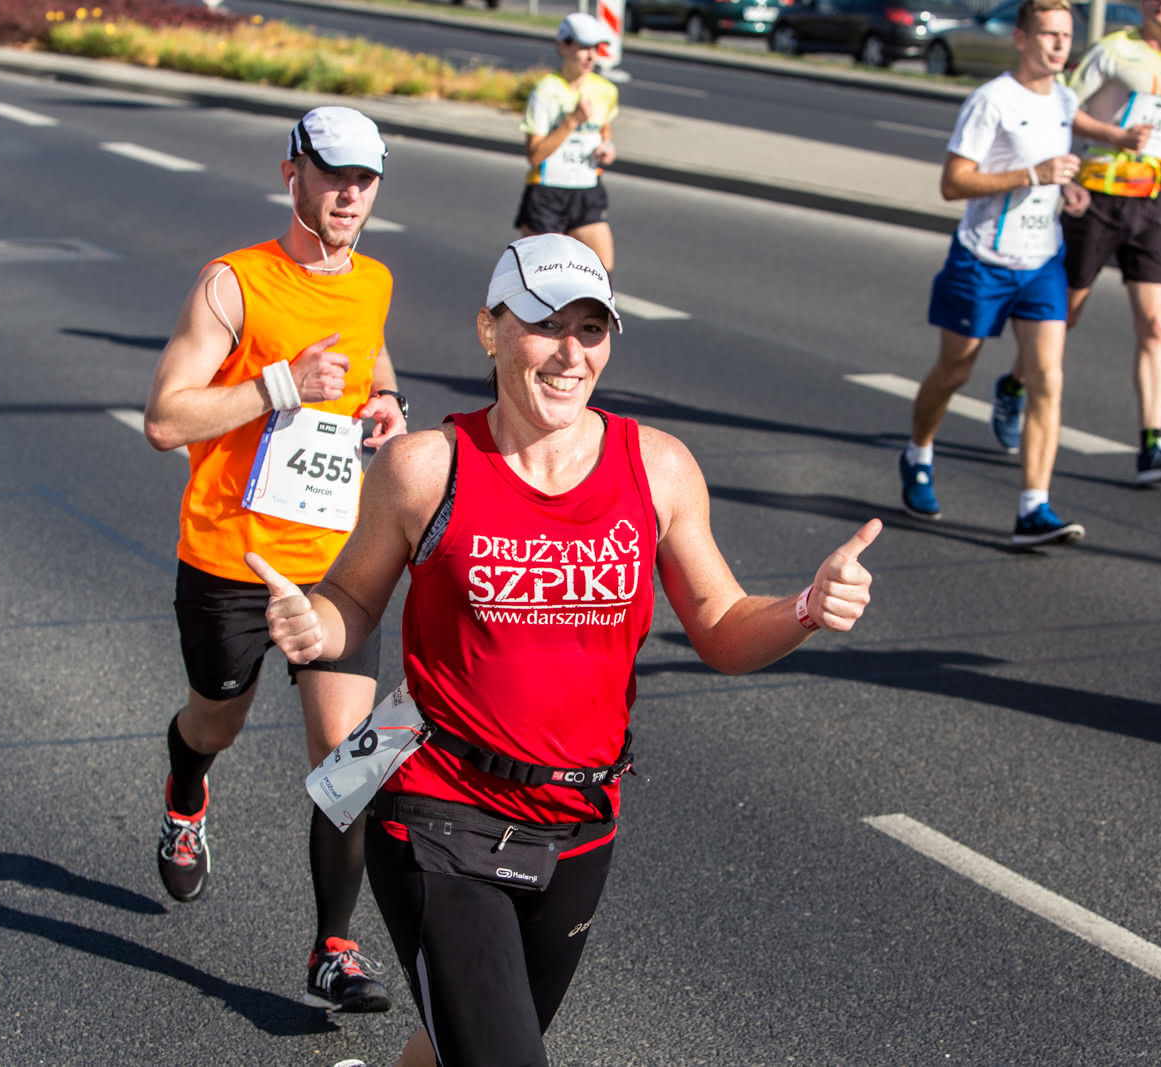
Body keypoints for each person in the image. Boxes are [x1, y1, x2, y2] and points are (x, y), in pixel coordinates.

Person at [247, 233, 882, 1067]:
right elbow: (352, 600)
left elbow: (721, 625)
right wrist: (315, 626)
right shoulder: (427, 467)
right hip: (442, 808)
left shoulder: (656, 468)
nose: (570, 352)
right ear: (489, 329)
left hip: (580, 820)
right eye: (545, 324)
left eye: (592, 328)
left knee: (459, 1046)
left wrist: (806, 607)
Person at [141, 105, 409, 1015]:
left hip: (338, 568)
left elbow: (373, 364)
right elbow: (166, 419)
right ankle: (187, 788)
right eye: (332, 173)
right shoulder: (235, 284)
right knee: (215, 721)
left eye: (365, 178)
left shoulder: (372, 281)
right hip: (231, 561)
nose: (349, 193)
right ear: (290, 171)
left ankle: (333, 946)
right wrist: (281, 384)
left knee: (349, 759)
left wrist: (388, 407)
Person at [900, 0, 1146, 547]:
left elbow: (1068, 141)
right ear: (1021, 38)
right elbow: (953, 183)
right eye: (1049, 35)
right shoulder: (992, 101)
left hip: (1041, 262)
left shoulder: (1062, 97)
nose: (1060, 46)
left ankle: (1033, 506)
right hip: (983, 259)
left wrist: (1069, 188)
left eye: (1066, 36)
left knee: (1048, 381)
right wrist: (1033, 174)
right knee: (954, 371)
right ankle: (918, 453)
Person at [991, 0, 1161, 486]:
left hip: (1150, 199)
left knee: (1156, 324)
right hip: (1099, 198)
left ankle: (1153, 443)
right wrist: (1092, 156)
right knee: (1063, 317)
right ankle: (1013, 386)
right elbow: (1061, 109)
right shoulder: (1113, 50)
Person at [514, 12, 619, 271]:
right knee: (543, 277)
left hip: (586, 189)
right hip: (548, 191)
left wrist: (608, 151)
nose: (591, 56)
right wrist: (571, 121)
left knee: (601, 274)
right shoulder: (546, 91)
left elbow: (605, 135)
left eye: (595, 48)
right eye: (583, 48)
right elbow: (535, 155)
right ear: (563, 46)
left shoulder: (605, 90)